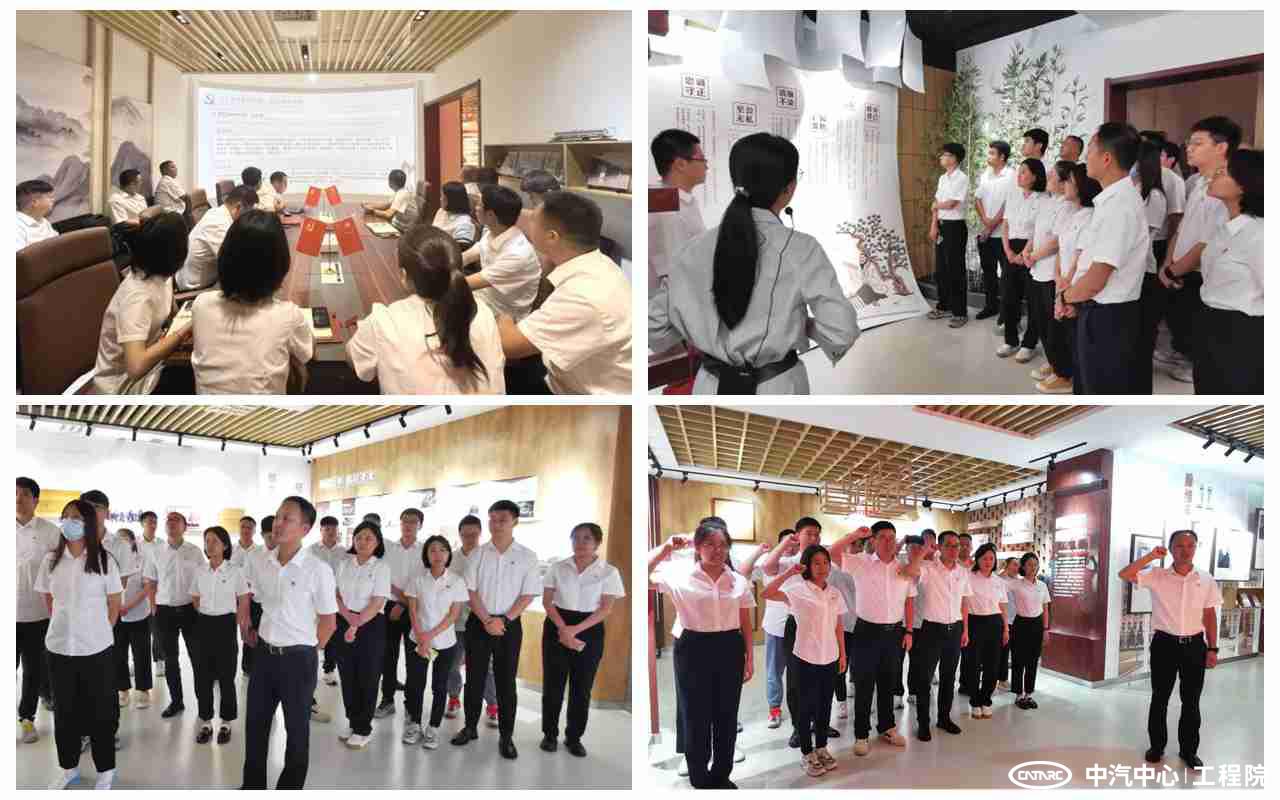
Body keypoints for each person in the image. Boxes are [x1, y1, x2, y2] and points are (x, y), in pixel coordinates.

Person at [652, 133, 859, 393]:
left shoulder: (691, 248)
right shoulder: (802, 249)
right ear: (789, 187)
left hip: (708, 386)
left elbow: (655, 328)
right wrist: (804, 325)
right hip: (777, 388)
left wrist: (697, 322)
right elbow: (841, 331)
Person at [649, 518, 755, 789]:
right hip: (692, 647)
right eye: (709, 544)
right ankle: (699, 776)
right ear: (697, 547)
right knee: (695, 714)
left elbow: (745, 620)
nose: (717, 550)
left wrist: (750, 658)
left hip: (730, 647)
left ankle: (721, 774)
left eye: (722, 545)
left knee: (726, 715)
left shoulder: (739, 581)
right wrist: (665, 548)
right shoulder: (679, 576)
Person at [240, 496, 338, 789]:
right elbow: (253, 594)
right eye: (278, 516)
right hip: (264, 656)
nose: (278, 523)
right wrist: (246, 620)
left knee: (296, 732)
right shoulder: (261, 561)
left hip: (298, 660)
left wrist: (306, 649)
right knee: (255, 726)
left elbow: (328, 622)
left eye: (288, 518)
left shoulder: (317, 570)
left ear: (305, 529)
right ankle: (252, 787)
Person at [346, 224, 505, 394]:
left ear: (404, 276)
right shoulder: (483, 312)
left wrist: (365, 331)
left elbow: (353, 359)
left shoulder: (385, 321)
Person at [502, 191, 634, 395]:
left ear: (551, 237)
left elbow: (509, 345)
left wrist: (504, 312)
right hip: (566, 372)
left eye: (533, 219)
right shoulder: (598, 263)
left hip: (578, 394)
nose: (527, 222)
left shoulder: (582, 295)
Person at [35, 498, 122, 789]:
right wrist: (65, 624)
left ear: (88, 523)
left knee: (101, 713)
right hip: (59, 647)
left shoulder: (105, 560)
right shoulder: (51, 560)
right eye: (66, 516)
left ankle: (106, 770)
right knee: (65, 712)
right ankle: (69, 767)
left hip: (96, 649)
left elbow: (114, 603)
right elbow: (48, 598)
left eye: (76, 517)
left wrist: (98, 630)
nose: (69, 522)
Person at [1118, 530, 1221, 768]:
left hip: (1194, 645)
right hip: (1164, 644)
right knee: (1160, 698)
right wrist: (1150, 557)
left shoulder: (1206, 579)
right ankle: (1157, 746)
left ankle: (1188, 751)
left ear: (1196, 548)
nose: (1185, 550)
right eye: (1179, 546)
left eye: (1190, 545)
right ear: (1171, 548)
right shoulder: (1158, 575)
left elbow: (1209, 615)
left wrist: (1213, 648)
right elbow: (1124, 574)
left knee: (1191, 701)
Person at [1061, 123, 1150, 394]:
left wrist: (1066, 297)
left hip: (1108, 317)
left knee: (1100, 388)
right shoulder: (1111, 200)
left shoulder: (1119, 205)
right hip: (1097, 309)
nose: (1086, 157)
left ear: (1107, 158)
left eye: (1090, 150)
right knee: (1088, 384)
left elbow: (1098, 276)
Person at [827, 522, 925, 757]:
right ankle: (861, 734)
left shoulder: (904, 567)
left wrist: (909, 631)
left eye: (892, 537)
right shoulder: (860, 562)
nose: (889, 542)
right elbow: (831, 553)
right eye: (883, 537)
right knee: (864, 684)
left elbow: (909, 601)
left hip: (895, 633)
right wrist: (854, 535)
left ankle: (887, 727)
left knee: (888, 682)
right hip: (866, 632)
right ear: (873, 540)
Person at [190, 209, 314, 394]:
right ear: (280, 264)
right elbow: (307, 352)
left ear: (225, 255)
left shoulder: (201, 304)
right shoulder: (288, 315)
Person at [454, 500, 541, 759]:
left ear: (515, 521)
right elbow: (470, 591)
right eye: (492, 519)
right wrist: (486, 620)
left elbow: (528, 594)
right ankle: (470, 727)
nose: (496, 524)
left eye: (502, 519)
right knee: (474, 678)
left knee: (505, 682)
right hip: (478, 624)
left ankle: (506, 736)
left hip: (509, 626)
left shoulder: (527, 556)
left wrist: (504, 619)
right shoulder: (478, 554)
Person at [1159, 116, 1241, 384]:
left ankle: (1191, 361)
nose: (1189, 148)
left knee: (1196, 326)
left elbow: (1208, 241)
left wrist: (1174, 270)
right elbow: (1182, 228)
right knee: (1179, 319)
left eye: (1198, 143)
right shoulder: (1198, 183)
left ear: (1221, 147)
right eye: (1189, 142)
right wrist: (1168, 264)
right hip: (1180, 268)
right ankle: (1183, 354)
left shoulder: (1228, 188)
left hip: (1198, 272)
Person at [540, 522, 625, 757]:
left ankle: (574, 737)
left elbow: (606, 608)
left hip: (590, 627)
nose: (580, 542)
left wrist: (575, 630)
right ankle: (549, 734)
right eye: (576, 538)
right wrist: (564, 629)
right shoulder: (557, 567)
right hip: (557, 624)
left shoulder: (609, 572)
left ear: (597, 542)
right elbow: (547, 601)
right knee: (553, 685)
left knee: (582, 687)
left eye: (586, 538)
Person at [762, 545, 847, 778]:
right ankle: (807, 753)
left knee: (824, 704)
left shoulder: (834, 592)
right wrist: (789, 573)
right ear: (807, 565)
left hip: (829, 656)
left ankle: (821, 747)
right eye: (816, 563)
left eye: (825, 562)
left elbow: (838, 626)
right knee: (804, 706)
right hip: (804, 656)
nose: (822, 567)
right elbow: (767, 593)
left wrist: (842, 654)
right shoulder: (797, 589)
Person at [91, 211, 191, 394]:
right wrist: (182, 332)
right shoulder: (137, 297)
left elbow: (171, 315)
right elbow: (136, 367)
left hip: (153, 365)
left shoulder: (161, 274)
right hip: (124, 389)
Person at [1193, 148, 1262, 394]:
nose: (1213, 176)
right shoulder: (1224, 228)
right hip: (1209, 324)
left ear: (1243, 185)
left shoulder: (1260, 234)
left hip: (1242, 333)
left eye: (1222, 172)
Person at [403, 535, 468, 750]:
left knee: (440, 686)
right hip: (417, 639)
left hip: (445, 642)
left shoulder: (457, 581)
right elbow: (412, 610)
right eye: (432, 550)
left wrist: (429, 636)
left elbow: (453, 615)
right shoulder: (417, 579)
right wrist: (421, 636)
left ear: (449, 554)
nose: (437, 554)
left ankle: (433, 727)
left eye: (442, 550)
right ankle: (414, 724)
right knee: (415, 684)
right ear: (426, 555)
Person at [334, 520, 391, 749]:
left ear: (377, 543)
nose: (362, 542)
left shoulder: (381, 568)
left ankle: (363, 728)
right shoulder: (344, 564)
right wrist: (348, 618)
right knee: (347, 674)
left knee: (367, 676)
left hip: (370, 624)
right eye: (358, 537)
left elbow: (377, 602)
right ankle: (352, 720)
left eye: (368, 538)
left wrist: (356, 623)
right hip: (344, 619)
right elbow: (336, 595)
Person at [143, 510, 206, 719]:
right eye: (168, 520)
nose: (171, 522)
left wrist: (201, 607)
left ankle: (203, 703)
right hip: (164, 612)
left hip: (190, 610)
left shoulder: (195, 551)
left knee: (198, 658)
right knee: (170, 660)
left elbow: (202, 581)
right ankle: (176, 701)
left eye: (176, 519)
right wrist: (153, 606)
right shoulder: (156, 551)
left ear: (184, 527)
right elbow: (150, 581)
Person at [1044, 164, 1100, 393]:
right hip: (1063, 284)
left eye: (1069, 181)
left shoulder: (1091, 217)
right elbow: (1061, 249)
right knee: (1064, 336)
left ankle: (1072, 381)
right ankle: (1065, 375)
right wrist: (1058, 279)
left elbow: (1079, 259)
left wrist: (1065, 291)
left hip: (1075, 287)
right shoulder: (1071, 212)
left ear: (1081, 187)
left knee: (1076, 343)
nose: (1064, 185)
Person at [910, 531, 971, 740]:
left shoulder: (962, 572)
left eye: (957, 546)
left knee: (948, 677)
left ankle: (944, 718)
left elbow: (965, 602)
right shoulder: (928, 568)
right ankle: (923, 723)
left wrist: (965, 630)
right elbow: (909, 570)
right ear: (940, 547)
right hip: (931, 630)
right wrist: (925, 550)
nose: (954, 550)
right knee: (924, 679)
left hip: (955, 629)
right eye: (949, 545)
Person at [190, 526, 248, 745]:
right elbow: (195, 597)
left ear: (225, 545)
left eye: (214, 540)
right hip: (203, 624)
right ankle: (205, 721)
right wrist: (206, 614)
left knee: (226, 676)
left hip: (226, 625)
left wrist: (238, 623)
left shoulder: (235, 571)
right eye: (207, 541)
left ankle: (226, 722)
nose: (210, 545)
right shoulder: (200, 570)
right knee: (202, 675)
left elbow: (243, 599)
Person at [17, 477, 61, 743]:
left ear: (35, 500)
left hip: (38, 614)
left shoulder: (50, 532)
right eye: (14, 493)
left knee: (33, 670)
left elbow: (61, 569)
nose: (17, 498)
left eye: (24, 494)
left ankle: (27, 719)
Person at [1023, 161, 1073, 391]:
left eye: (1053, 175)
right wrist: (1027, 251)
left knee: (1055, 326)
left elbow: (1056, 242)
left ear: (1064, 183)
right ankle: (1054, 363)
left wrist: (1033, 256)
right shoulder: (1046, 201)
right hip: (1036, 268)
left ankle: (1064, 373)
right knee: (1041, 320)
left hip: (1052, 271)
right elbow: (1036, 232)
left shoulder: (1067, 206)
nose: (1048, 177)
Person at [463, 185, 541, 322]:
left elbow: (466, 284)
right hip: (484, 297)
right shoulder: (493, 232)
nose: (475, 208)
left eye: (479, 205)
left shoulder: (517, 255)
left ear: (490, 215)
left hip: (503, 315)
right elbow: (468, 255)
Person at [445, 515, 496, 720]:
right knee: (452, 663)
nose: (469, 539)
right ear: (460, 534)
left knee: (486, 666)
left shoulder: (488, 557)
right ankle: (453, 697)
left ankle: (492, 703)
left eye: (473, 535)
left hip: (481, 620)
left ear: (480, 533)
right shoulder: (451, 558)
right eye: (465, 535)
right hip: (455, 621)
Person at [997, 158, 1047, 364]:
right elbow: (1005, 225)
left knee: (1033, 299)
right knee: (1009, 297)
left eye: (1024, 172)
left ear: (1035, 176)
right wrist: (1008, 251)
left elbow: (1038, 230)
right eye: (1019, 171)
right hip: (1010, 249)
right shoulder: (1013, 195)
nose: (1019, 175)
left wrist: (1024, 252)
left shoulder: (1043, 199)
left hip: (1031, 250)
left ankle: (1029, 344)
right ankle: (1010, 340)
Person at [376, 509, 424, 720]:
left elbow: (423, 581)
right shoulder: (388, 549)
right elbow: (382, 577)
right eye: (404, 521)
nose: (408, 525)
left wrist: (404, 604)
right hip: (389, 608)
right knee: (388, 656)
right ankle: (387, 700)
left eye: (413, 521)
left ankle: (411, 705)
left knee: (414, 659)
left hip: (415, 608)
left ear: (420, 525)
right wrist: (397, 600)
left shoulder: (424, 550)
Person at [649, 128, 709, 289]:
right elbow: (673, 271)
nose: (707, 166)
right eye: (702, 159)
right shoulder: (662, 202)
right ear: (680, 164)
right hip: (670, 299)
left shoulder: (679, 199)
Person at [751, 529, 798, 730]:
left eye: (795, 543)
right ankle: (775, 709)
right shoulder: (770, 563)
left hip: (798, 628)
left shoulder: (800, 563)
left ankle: (800, 712)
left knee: (797, 674)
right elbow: (757, 569)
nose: (792, 546)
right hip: (775, 628)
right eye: (788, 542)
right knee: (774, 672)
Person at [1133, 139, 1169, 394]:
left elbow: (1143, 235)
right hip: (1130, 272)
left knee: (1143, 336)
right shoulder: (1132, 187)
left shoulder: (1154, 195)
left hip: (1144, 270)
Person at [175, 184, 257, 291]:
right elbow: (234, 264)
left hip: (203, 276)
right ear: (239, 207)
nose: (249, 218)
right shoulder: (219, 225)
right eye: (248, 214)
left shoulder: (217, 212)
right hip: (195, 286)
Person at [927, 142, 971, 328]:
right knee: (941, 269)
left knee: (955, 270)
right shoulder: (942, 178)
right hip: (942, 225)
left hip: (955, 227)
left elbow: (952, 203)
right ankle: (944, 306)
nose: (941, 157)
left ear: (954, 158)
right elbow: (936, 204)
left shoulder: (962, 178)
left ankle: (960, 313)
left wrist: (936, 206)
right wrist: (933, 225)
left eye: (945, 155)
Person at [963, 544, 1009, 719]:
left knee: (993, 665)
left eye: (991, 558)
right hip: (974, 622)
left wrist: (1006, 628)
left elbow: (1003, 606)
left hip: (995, 623)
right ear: (977, 559)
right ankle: (975, 700)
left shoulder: (999, 581)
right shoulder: (969, 577)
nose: (988, 562)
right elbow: (963, 604)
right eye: (984, 558)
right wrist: (965, 629)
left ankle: (986, 699)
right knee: (973, 664)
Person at [113, 528, 153, 711]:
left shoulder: (142, 559)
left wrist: (128, 606)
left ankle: (143, 690)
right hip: (116, 615)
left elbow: (147, 588)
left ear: (132, 542)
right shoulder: (111, 561)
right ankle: (123, 690)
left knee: (141, 653)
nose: (121, 544)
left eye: (125, 540)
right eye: (118, 540)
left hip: (138, 614)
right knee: (118, 654)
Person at [973, 141, 1014, 320]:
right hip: (985, 233)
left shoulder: (1012, 176)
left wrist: (990, 226)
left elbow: (1009, 204)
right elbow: (977, 199)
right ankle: (991, 306)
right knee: (988, 273)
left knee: (1007, 277)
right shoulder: (985, 175)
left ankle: (1007, 314)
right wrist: (985, 221)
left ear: (1002, 156)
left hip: (1003, 235)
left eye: (991, 153)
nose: (988, 156)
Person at [1006, 553, 1051, 710]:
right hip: (1020, 624)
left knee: (1033, 661)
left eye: (1035, 564)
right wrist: (1008, 569)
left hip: (1037, 625)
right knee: (1018, 660)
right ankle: (1018, 695)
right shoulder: (1016, 584)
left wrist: (1046, 629)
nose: (1033, 567)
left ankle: (1028, 694)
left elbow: (1045, 608)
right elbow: (999, 585)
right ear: (1023, 567)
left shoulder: (1042, 585)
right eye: (1030, 564)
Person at [307, 517, 346, 686]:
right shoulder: (311, 550)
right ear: (321, 530)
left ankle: (329, 670)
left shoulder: (345, 552)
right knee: (313, 633)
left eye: (333, 529)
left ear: (338, 531)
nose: (331, 532)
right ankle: (310, 667)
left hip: (337, 599)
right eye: (327, 529)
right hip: (314, 600)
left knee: (334, 634)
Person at [137, 511, 166, 679]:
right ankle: (138, 663)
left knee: (157, 629)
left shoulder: (162, 544)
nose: (153, 525)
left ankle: (159, 660)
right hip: (138, 592)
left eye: (155, 521)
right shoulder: (135, 544)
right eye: (149, 521)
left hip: (157, 591)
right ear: (142, 524)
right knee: (140, 632)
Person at [17, 179, 59, 250]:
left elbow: (58, 242)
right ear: (34, 202)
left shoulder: (44, 221)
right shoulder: (17, 226)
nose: (53, 200)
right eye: (50, 197)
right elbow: (19, 256)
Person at [435, 182, 479, 248]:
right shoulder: (441, 211)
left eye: (442, 196)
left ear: (451, 200)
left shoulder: (465, 223)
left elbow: (461, 249)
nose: (440, 199)